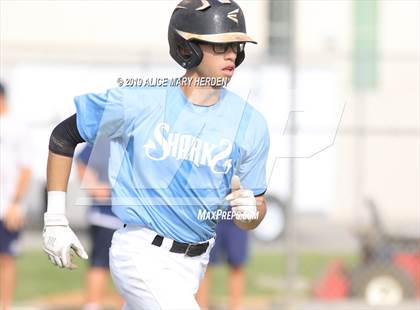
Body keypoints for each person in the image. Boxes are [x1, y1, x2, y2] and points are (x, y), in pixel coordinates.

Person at [42, 1, 270, 309]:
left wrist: (250, 212)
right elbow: (63, 136)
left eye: (236, 46)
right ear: (187, 47)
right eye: (220, 46)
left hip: (194, 264)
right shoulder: (140, 102)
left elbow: (253, 213)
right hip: (141, 252)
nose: (231, 54)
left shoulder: (251, 123)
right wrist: (55, 218)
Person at [75, 137, 123, 310]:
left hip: (132, 220)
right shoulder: (107, 137)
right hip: (106, 216)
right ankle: (92, 304)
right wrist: (93, 186)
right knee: (100, 263)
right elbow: (81, 160)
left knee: (130, 269)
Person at [0, 82, 32, 310]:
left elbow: (26, 168)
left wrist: (15, 203)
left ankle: (4, 304)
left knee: (6, 259)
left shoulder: (16, 127)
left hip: (7, 206)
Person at [197, 216, 249, 310]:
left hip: (235, 214)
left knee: (237, 263)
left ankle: (236, 306)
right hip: (210, 214)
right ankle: (201, 306)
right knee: (204, 263)